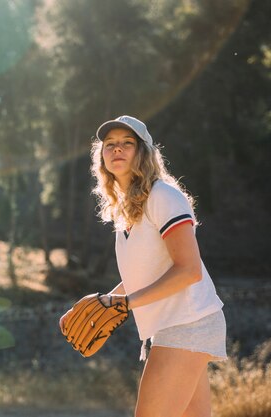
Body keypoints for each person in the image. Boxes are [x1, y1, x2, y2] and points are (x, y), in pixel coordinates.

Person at [61, 115, 226, 417]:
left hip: (188, 323)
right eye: (110, 145)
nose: (117, 149)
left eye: (127, 143)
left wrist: (125, 304)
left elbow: (189, 270)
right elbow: (145, 275)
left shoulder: (163, 196)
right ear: (102, 157)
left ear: (144, 152)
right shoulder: (125, 210)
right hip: (172, 326)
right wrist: (107, 301)